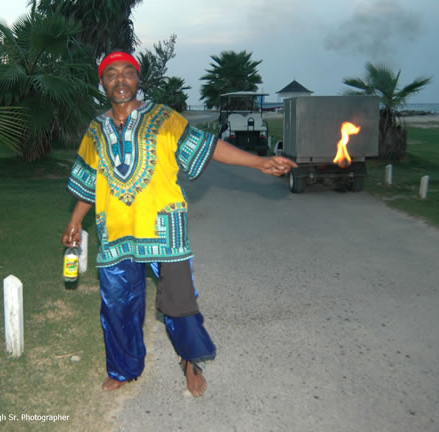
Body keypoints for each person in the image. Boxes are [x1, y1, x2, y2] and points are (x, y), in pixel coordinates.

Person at [62, 51, 296, 397]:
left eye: (128, 73)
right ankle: (124, 368)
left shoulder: (163, 118)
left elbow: (208, 146)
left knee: (180, 303)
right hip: (116, 232)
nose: (121, 80)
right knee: (116, 305)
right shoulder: (96, 129)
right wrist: (74, 222)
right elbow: (87, 181)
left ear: (138, 79)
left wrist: (258, 163)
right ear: (103, 82)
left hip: (163, 229)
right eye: (112, 74)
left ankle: (189, 361)